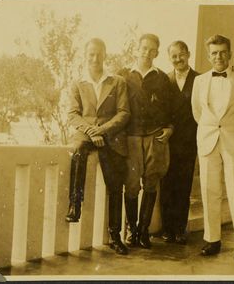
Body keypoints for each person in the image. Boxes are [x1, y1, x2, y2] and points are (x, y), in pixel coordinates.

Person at [191, 34, 234, 261]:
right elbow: (197, 113)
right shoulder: (199, 81)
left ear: (230, 53)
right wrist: (213, 129)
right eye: (214, 53)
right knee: (209, 191)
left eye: (222, 52)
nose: (218, 57)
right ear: (208, 56)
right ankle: (212, 240)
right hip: (208, 140)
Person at [66, 38, 130, 255]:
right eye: (91, 54)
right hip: (85, 135)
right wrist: (91, 132)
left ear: (105, 55)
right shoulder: (78, 83)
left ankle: (115, 235)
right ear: (85, 56)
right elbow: (73, 114)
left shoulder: (117, 81)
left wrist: (101, 131)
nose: (95, 58)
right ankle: (75, 205)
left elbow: (124, 113)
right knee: (76, 152)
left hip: (111, 137)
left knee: (115, 185)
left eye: (99, 54)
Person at [119, 33, 174, 249]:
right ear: (137, 48)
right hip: (131, 136)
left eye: (152, 50)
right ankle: (132, 230)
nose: (147, 53)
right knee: (132, 185)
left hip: (154, 136)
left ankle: (144, 231)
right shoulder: (124, 75)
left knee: (151, 182)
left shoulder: (162, 78)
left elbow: (170, 109)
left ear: (157, 53)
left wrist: (170, 128)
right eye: (144, 48)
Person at [160, 41, 199, 245]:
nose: (178, 59)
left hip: (190, 141)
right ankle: (167, 229)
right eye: (174, 56)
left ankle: (180, 229)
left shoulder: (200, 79)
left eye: (181, 54)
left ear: (188, 54)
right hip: (168, 141)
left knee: (183, 186)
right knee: (167, 184)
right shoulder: (165, 80)